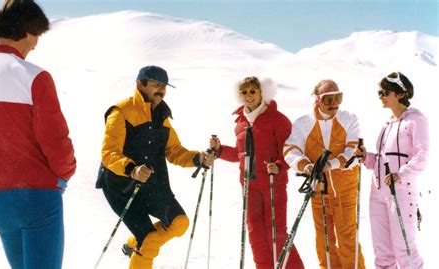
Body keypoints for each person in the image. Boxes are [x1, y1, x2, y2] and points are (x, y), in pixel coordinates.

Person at [0, 1, 77, 268]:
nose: (36, 44)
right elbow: (55, 140)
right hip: (38, 194)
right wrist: (64, 173)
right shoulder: (34, 76)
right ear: (27, 31)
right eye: (37, 35)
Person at [96, 65, 214, 269]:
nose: (161, 90)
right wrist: (132, 169)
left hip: (151, 186)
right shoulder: (121, 112)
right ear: (140, 84)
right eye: (156, 85)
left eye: (164, 86)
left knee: (179, 222)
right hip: (120, 187)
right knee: (149, 240)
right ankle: (141, 244)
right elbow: (109, 154)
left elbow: (174, 151)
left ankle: (134, 245)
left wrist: (198, 158)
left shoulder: (162, 116)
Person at [209, 76, 304, 269]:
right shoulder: (240, 123)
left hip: (272, 185)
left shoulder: (277, 119)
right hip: (249, 187)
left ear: (262, 92)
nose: (249, 96)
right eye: (244, 92)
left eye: (253, 91)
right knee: (256, 235)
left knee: (276, 234)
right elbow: (240, 154)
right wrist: (219, 151)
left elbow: (289, 150)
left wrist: (278, 166)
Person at [283, 79, 365, 269]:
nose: (334, 104)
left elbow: (353, 149)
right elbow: (290, 149)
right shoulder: (304, 123)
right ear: (317, 100)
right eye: (329, 99)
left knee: (347, 235)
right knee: (324, 236)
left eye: (338, 97)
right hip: (318, 188)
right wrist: (305, 165)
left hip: (344, 188)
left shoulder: (349, 119)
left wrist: (330, 164)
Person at [354, 72, 427, 268]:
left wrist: (401, 175)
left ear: (400, 94)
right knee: (383, 253)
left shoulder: (415, 120)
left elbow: (422, 155)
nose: (381, 96)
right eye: (379, 92)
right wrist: (366, 157)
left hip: (400, 190)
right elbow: (382, 159)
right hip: (377, 192)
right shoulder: (387, 124)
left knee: (405, 249)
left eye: (385, 92)